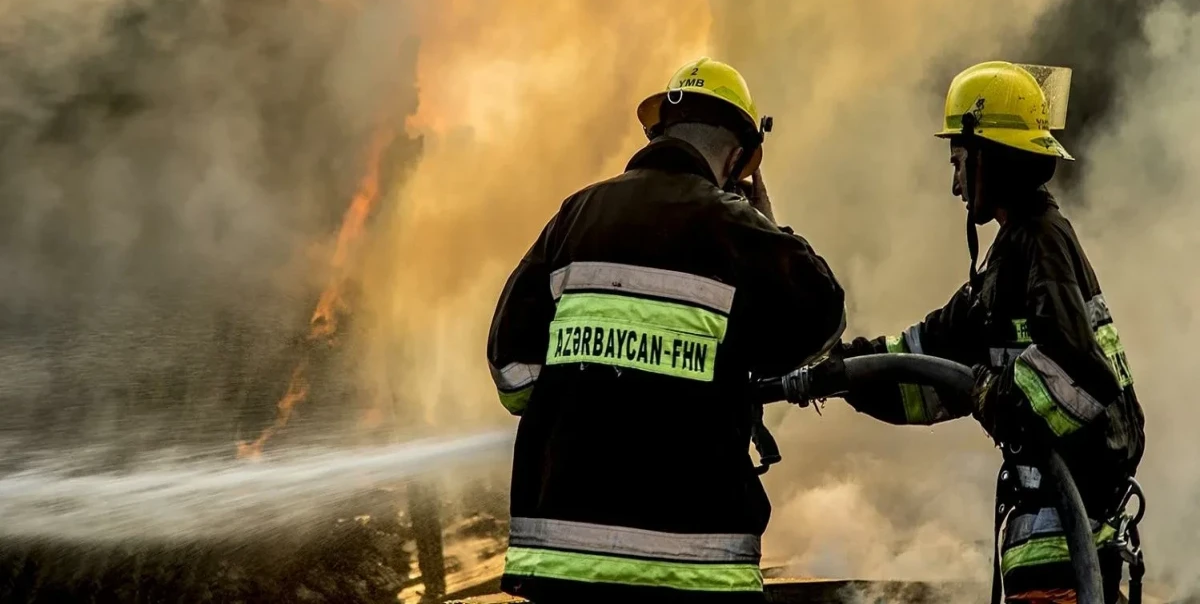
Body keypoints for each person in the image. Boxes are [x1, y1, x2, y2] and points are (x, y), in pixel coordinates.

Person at [485, 57, 846, 603]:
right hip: (694, 566)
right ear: (741, 158)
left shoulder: (575, 216)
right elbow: (824, 322)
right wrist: (771, 227)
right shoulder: (736, 228)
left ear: (658, 133)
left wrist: (587, 399)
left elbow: (511, 372)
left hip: (565, 562)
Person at [826, 61, 1145, 604]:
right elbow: (921, 368)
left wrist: (998, 392)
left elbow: (1081, 374)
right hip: (1044, 557)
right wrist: (834, 371)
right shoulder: (1007, 263)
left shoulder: (1042, 241)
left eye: (959, 161)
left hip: (1069, 557)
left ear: (990, 158)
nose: (954, 184)